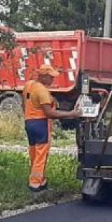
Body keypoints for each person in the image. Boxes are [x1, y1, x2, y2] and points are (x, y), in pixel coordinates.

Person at [24, 64, 82, 192]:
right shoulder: (42, 91)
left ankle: (40, 180)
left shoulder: (29, 85)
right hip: (40, 124)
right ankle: (35, 184)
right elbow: (50, 113)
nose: (53, 79)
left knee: (33, 153)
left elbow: (27, 103)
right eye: (50, 77)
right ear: (43, 77)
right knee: (41, 155)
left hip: (29, 122)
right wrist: (71, 114)